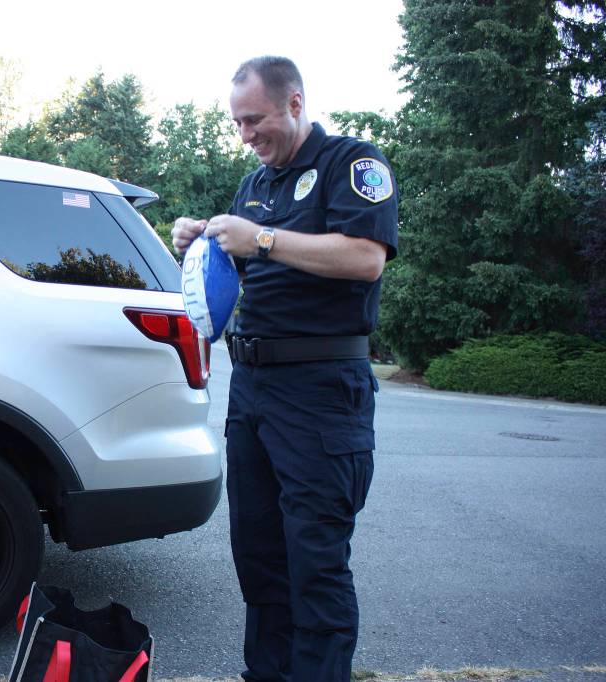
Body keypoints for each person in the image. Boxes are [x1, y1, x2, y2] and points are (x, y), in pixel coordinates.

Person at [172, 56, 398, 682]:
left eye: (256, 119)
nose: (246, 134)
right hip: (254, 390)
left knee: (315, 560)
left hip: (322, 389)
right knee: (259, 553)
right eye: (238, 123)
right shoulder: (255, 185)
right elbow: (241, 272)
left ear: (294, 103)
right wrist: (203, 245)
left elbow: (364, 258)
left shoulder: (350, 165)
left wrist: (263, 239)